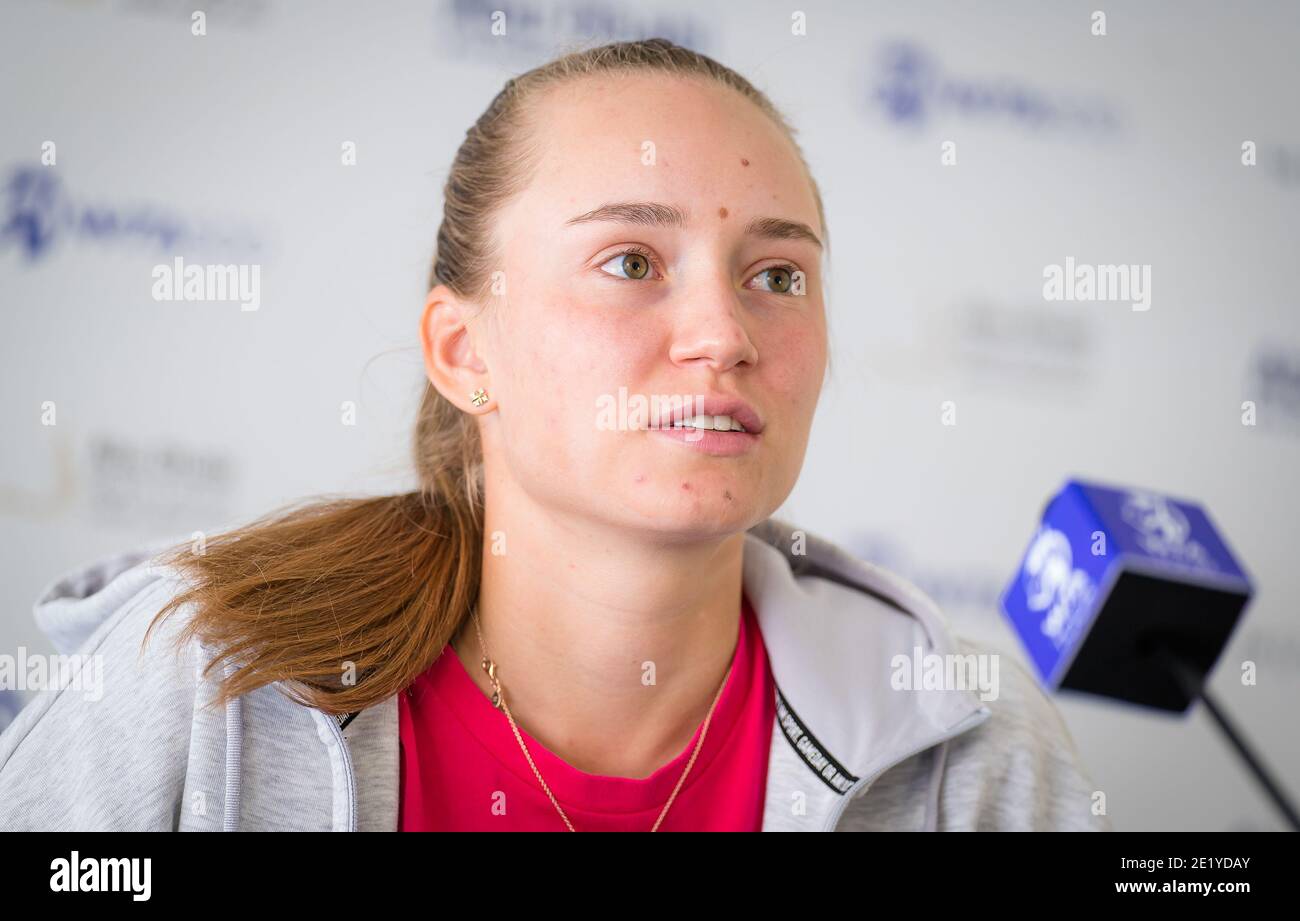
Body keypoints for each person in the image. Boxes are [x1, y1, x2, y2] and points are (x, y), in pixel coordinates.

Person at [0, 38, 1109, 832]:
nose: (723, 335)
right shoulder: (204, 676)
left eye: (778, 275)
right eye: (630, 262)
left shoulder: (975, 750)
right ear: (462, 351)